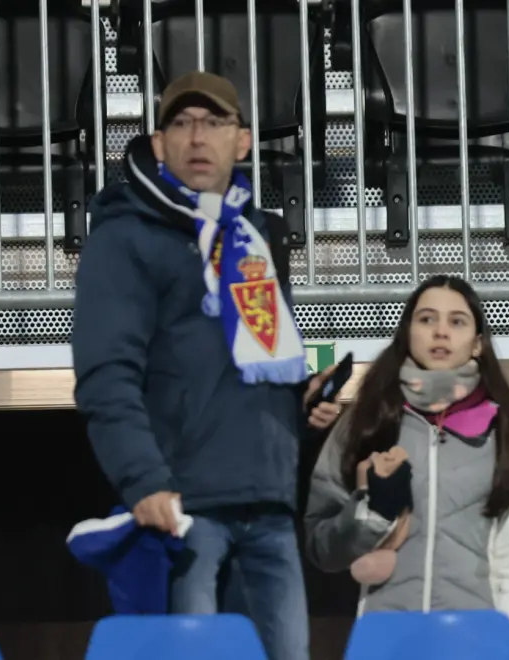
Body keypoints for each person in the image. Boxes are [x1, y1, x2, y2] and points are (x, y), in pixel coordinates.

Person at [72, 71, 339, 660]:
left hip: (269, 502)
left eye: (214, 123)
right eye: (182, 123)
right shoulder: (125, 236)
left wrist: (298, 403)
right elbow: (105, 373)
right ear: (159, 141)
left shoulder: (255, 232)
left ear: (242, 141)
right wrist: (143, 480)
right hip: (185, 510)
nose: (198, 137)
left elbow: (245, 363)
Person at [304, 275, 509, 659]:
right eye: (426, 319)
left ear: (477, 342)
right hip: (387, 642)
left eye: (457, 321)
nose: (440, 332)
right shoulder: (368, 422)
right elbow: (322, 546)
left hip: (481, 644)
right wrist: (371, 513)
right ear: (407, 334)